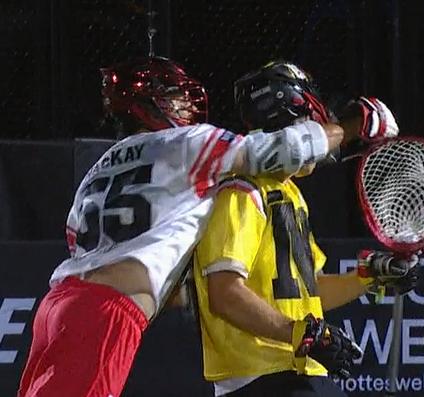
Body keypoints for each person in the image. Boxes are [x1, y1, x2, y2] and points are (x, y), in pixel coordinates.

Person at [16, 56, 357, 397]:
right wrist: (349, 129)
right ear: (149, 100)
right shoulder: (186, 144)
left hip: (59, 304)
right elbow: (281, 149)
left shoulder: (98, 169)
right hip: (109, 311)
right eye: (176, 94)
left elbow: (87, 245)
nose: (186, 103)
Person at [191, 61, 419, 397]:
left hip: (298, 370)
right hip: (260, 376)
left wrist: (368, 277)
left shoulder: (288, 193)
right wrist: (300, 334)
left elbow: (310, 295)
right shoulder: (240, 192)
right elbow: (225, 294)